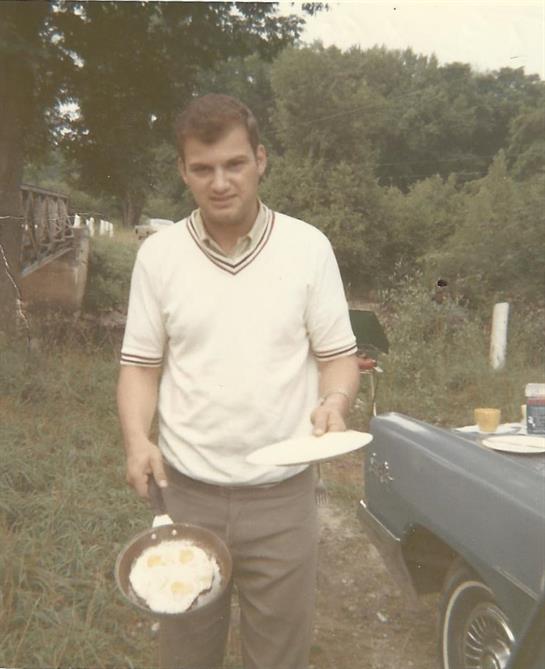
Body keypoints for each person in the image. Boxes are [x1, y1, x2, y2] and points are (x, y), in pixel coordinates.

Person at [117, 93, 360, 669]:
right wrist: (136, 439)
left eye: (234, 164)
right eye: (202, 168)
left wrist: (335, 399)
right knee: (186, 655)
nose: (219, 182)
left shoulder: (308, 248)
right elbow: (141, 366)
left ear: (261, 160)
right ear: (183, 171)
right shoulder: (159, 256)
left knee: (278, 656)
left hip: (283, 498)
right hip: (187, 494)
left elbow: (339, 358)